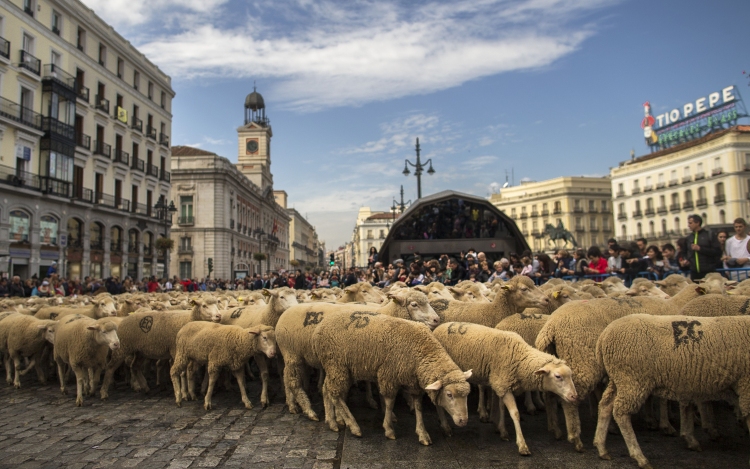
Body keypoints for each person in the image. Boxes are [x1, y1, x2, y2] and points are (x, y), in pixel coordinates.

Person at [686, 214, 722, 280]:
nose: (688, 225)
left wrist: (700, 249)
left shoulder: (709, 235)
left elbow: (717, 252)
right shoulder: (689, 237)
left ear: (698, 223)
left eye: (690, 223)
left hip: (708, 272)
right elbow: (686, 252)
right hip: (694, 273)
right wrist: (686, 261)